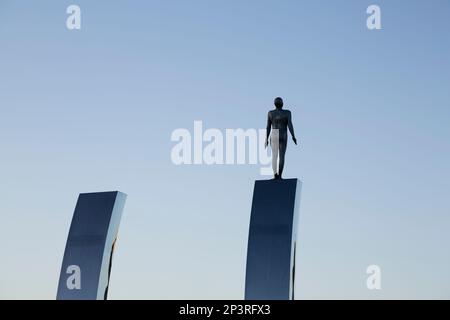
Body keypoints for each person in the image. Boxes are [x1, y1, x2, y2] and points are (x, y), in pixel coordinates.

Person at [265, 97, 298, 179]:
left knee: (274, 156)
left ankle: (275, 175)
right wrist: (293, 136)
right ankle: (279, 176)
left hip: (274, 133)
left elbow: (268, 127)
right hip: (283, 133)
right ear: (282, 104)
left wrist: (266, 138)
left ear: (274, 104)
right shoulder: (287, 112)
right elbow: (290, 124)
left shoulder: (270, 113)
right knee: (282, 156)